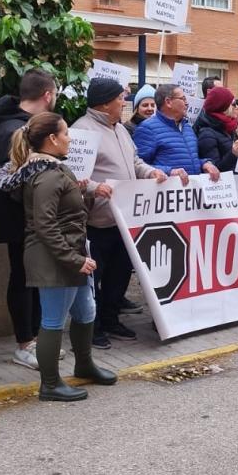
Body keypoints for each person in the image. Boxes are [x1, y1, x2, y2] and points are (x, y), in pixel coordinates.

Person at [6, 112, 117, 401]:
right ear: (52, 139)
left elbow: (63, 213)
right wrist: (75, 259)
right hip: (54, 258)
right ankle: (50, 383)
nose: (70, 138)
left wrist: (83, 195)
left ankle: (84, 364)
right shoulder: (46, 175)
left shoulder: (53, 169)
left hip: (67, 254)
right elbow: (44, 225)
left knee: (85, 311)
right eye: (66, 133)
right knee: (53, 321)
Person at [71, 79, 170, 347]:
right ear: (104, 103)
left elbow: (135, 161)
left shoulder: (121, 131)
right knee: (96, 277)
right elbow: (72, 175)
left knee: (120, 274)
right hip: (96, 220)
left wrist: (150, 172)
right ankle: (91, 328)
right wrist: (94, 188)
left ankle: (111, 318)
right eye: (119, 98)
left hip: (124, 218)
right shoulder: (81, 131)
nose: (123, 103)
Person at [0, 69, 56, 370]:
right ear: (47, 95)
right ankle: (24, 343)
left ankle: (35, 339)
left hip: (31, 217)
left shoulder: (23, 127)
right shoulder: (13, 132)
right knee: (23, 278)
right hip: (21, 219)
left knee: (34, 278)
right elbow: (10, 179)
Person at [133, 84, 222, 179]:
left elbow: (190, 159)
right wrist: (169, 171)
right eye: (183, 99)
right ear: (168, 102)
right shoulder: (147, 128)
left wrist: (204, 164)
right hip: (166, 190)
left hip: (191, 190)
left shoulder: (187, 127)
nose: (187, 103)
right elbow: (139, 167)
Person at [195, 85, 238, 172]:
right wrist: (233, 154)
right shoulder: (207, 134)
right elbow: (214, 170)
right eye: (233, 104)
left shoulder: (229, 127)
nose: (237, 107)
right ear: (222, 107)